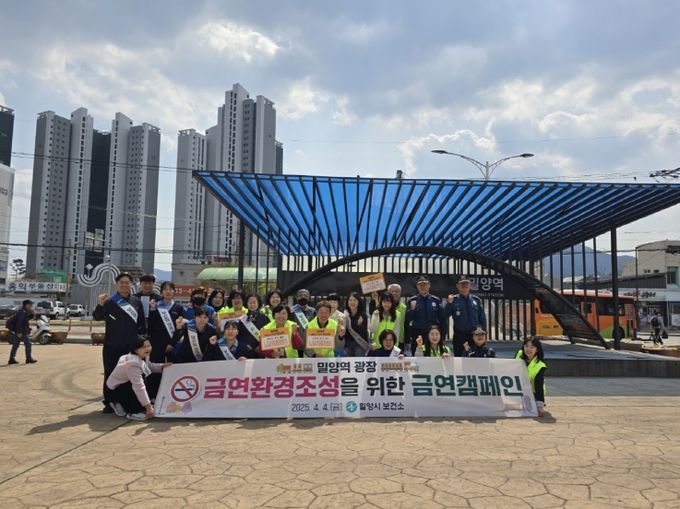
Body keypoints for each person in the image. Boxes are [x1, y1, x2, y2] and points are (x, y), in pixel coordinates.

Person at [94, 272, 146, 413]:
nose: (124, 285)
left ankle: (125, 402)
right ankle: (109, 402)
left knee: (129, 375)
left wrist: (141, 344)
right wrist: (100, 304)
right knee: (110, 374)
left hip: (130, 347)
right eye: (121, 282)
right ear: (116, 284)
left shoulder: (136, 302)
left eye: (127, 282)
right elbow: (97, 317)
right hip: (112, 346)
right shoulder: (110, 301)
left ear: (131, 284)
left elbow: (142, 325)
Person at [106, 336, 171, 421]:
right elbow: (139, 387)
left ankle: (124, 404)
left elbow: (148, 366)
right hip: (116, 390)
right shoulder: (133, 364)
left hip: (123, 385)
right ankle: (132, 411)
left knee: (145, 380)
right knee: (140, 384)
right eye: (144, 347)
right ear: (136, 350)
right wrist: (148, 407)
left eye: (149, 346)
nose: (148, 349)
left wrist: (162, 366)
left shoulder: (141, 356)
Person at [445, 277, 487, 357]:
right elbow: (445, 315)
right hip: (459, 335)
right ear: (457, 286)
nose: (464, 286)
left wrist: (484, 334)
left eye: (466, 284)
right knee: (459, 358)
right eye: (462, 284)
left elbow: (482, 319)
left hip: (474, 336)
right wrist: (449, 304)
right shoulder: (454, 299)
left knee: (476, 358)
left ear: (469, 285)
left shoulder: (476, 300)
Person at [406, 275, 445, 356]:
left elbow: (442, 320)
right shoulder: (412, 300)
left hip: (432, 335)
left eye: (425, 284)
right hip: (417, 334)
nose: (423, 286)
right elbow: (407, 319)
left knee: (432, 357)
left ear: (429, 285)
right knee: (417, 358)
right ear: (417, 286)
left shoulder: (436, 300)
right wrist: (412, 310)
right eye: (420, 284)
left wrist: (443, 336)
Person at [147, 281, 185, 364]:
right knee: (156, 367)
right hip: (156, 343)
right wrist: (152, 310)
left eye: (170, 289)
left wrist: (172, 343)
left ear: (174, 291)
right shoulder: (155, 306)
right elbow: (150, 325)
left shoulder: (179, 308)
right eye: (165, 289)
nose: (168, 292)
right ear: (161, 292)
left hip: (172, 342)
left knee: (171, 367)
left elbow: (180, 328)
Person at [520, 337, 547, 417]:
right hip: (518, 391)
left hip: (532, 394)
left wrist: (540, 405)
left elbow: (539, 386)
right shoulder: (519, 354)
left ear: (537, 349)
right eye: (526, 346)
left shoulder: (540, 366)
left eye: (532, 347)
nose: (528, 349)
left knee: (530, 409)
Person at [7, 299, 36, 365]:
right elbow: (19, 322)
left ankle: (11, 359)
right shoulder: (22, 312)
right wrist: (19, 332)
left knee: (15, 345)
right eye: (31, 304)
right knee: (28, 344)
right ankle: (28, 359)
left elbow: (25, 320)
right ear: (27, 305)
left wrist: (32, 314)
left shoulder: (23, 311)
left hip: (19, 331)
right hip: (22, 331)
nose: (31, 306)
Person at [341, 291, 370, 356]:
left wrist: (360, 325)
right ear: (347, 301)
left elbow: (364, 333)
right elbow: (343, 332)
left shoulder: (362, 315)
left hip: (359, 344)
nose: (352, 302)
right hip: (348, 344)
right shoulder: (345, 314)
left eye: (355, 300)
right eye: (350, 300)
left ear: (358, 302)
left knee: (359, 361)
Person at [291, 289, 316, 356]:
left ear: (309, 298)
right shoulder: (291, 310)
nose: (303, 297)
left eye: (305, 296)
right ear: (296, 297)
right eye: (300, 296)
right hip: (295, 342)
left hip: (309, 343)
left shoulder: (313, 311)